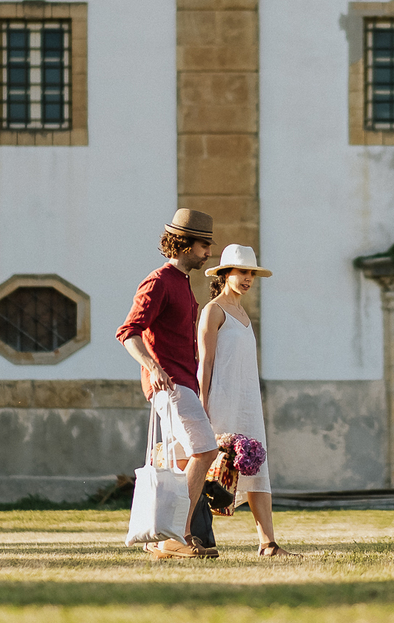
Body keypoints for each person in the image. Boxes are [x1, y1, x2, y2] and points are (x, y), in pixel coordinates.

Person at [117, 208, 220, 559]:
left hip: (184, 383)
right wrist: (152, 366)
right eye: (203, 245)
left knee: (182, 462)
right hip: (170, 384)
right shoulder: (159, 281)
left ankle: (168, 539)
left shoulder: (183, 283)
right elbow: (128, 331)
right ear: (185, 244)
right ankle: (178, 535)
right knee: (205, 451)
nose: (208, 252)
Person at [198, 244, 297, 557]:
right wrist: (202, 404)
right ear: (225, 274)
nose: (247, 278)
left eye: (251, 273)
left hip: (247, 401)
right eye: (242, 272)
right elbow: (206, 362)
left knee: (257, 468)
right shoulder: (213, 310)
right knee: (208, 472)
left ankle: (268, 543)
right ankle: (187, 535)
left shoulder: (243, 314)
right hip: (221, 401)